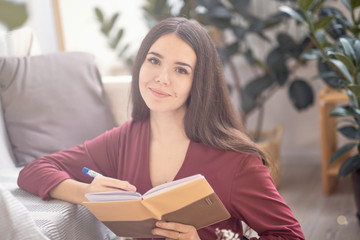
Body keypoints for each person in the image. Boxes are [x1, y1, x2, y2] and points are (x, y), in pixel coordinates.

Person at [18, 17, 305, 239]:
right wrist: (87, 192)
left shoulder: (236, 162)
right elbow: (34, 171)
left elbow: (290, 235)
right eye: (154, 60)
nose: (161, 78)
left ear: (199, 82)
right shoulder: (124, 139)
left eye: (181, 70)